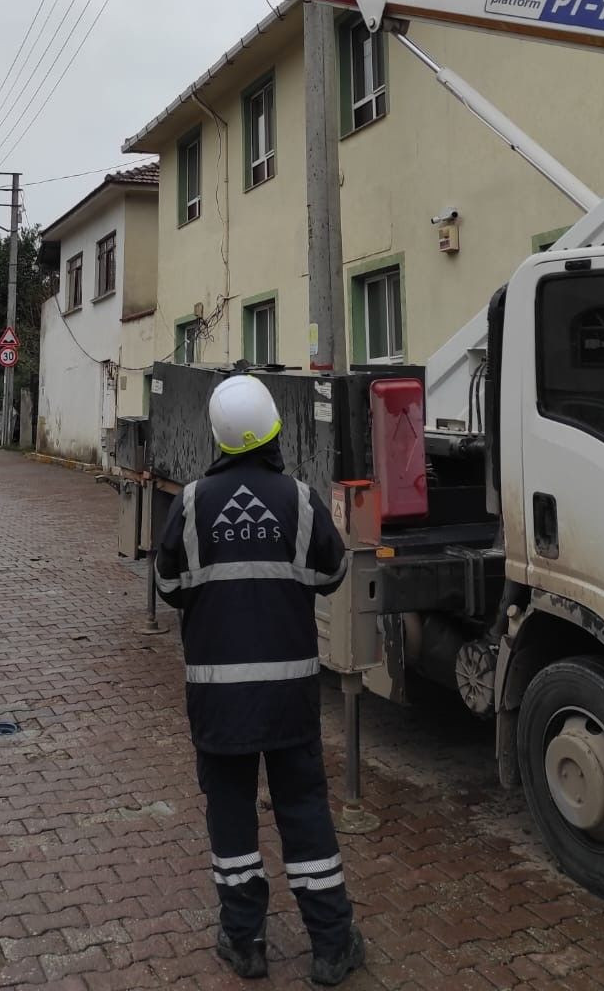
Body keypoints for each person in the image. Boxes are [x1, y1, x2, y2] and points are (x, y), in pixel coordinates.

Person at [155, 375, 365, 986]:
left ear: (217, 435)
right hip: (289, 699)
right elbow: (333, 571)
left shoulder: (192, 503)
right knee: (304, 810)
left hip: (219, 701)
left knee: (231, 813)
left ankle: (244, 942)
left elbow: (170, 587)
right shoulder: (299, 499)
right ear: (274, 426)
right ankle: (330, 945)